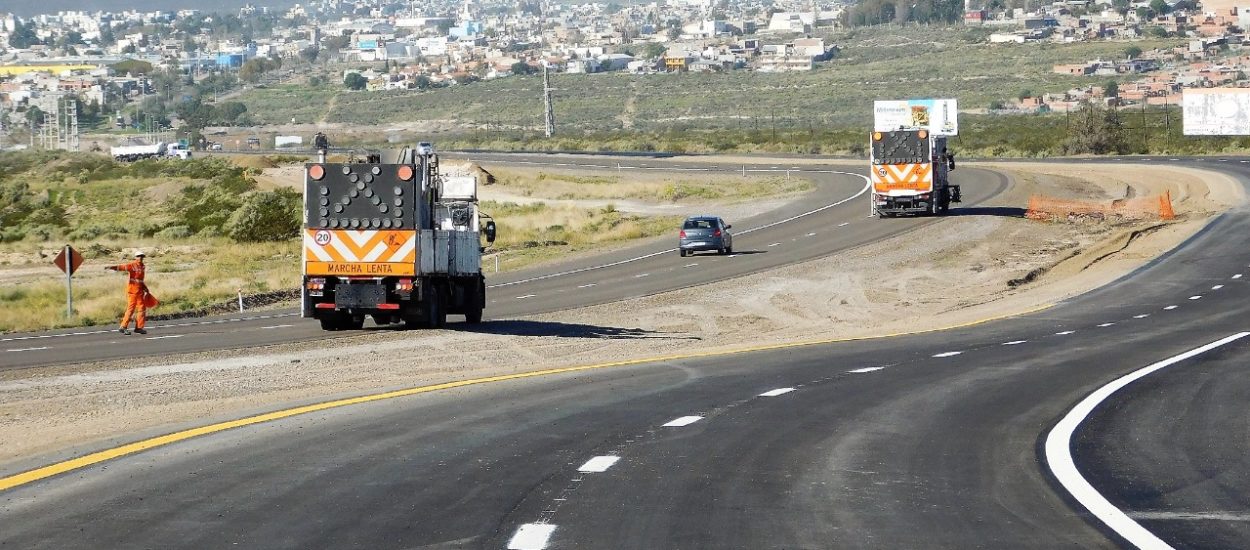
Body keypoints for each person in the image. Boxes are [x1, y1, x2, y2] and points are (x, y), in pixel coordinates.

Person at [105, 251, 150, 335]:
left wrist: (145, 288)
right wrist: (111, 267)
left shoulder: (143, 266)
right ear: (135, 257)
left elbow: (140, 280)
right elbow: (121, 267)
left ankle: (139, 328)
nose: (140, 258)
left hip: (140, 291)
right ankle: (123, 327)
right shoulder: (132, 265)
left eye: (142, 256)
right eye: (138, 256)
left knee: (142, 309)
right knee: (131, 309)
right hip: (132, 291)